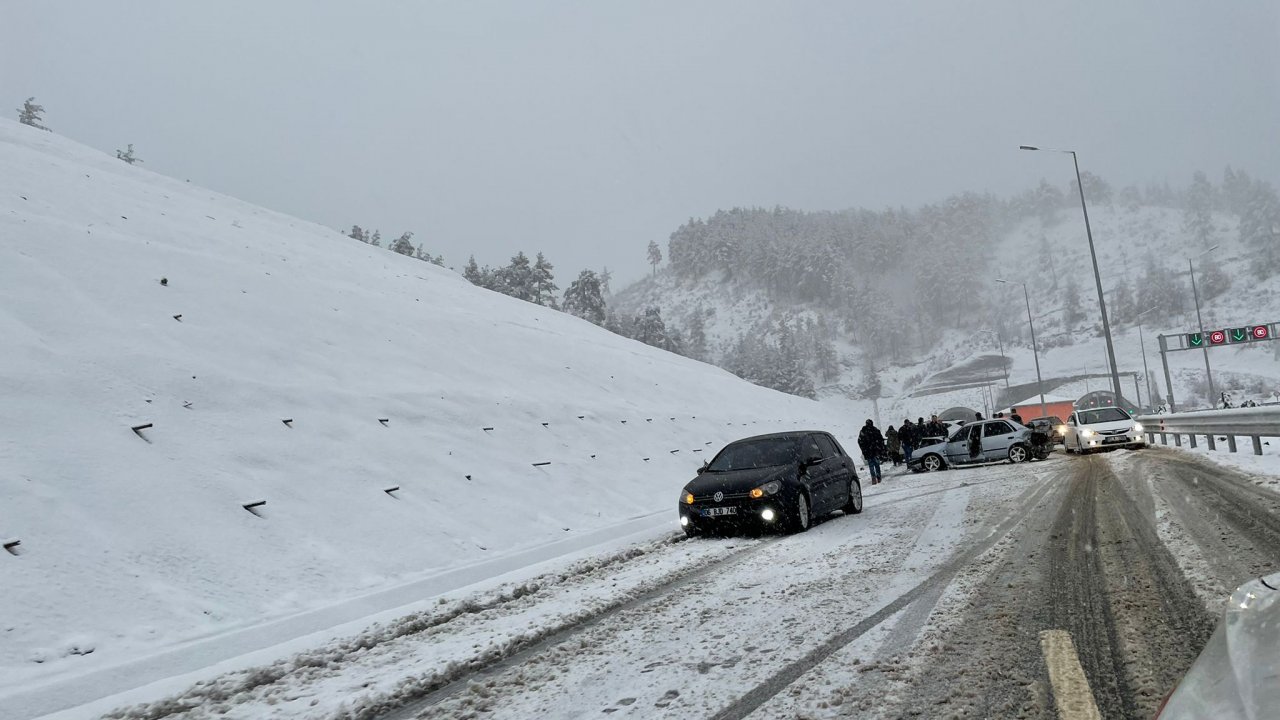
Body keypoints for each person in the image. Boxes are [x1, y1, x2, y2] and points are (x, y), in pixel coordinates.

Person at [857, 419, 886, 484]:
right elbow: (881, 440)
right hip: (875, 450)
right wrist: (881, 449)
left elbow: (859, 441)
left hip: (868, 451)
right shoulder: (875, 430)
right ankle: (878, 477)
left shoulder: (863, 431)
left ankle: (874, 478)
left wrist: (864, 449)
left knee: (871, 465)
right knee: (876, 464)